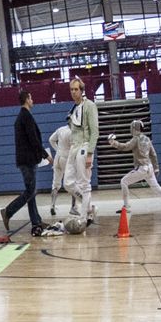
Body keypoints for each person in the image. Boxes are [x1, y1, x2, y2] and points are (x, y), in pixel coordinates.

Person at [0, 92, 51, 233]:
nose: (32, 100)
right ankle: (8, 212)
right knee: (30, 191)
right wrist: (46, 155)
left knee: (31, 191)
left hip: (25, 160)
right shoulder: (26, 116)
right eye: (31, 97)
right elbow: (33, 139)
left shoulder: (21, 117)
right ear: (27, 99)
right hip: (27, 161)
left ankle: (36, 222)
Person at [110, 119, 161, 209]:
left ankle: (126, 206)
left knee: (124, 181)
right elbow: (153, 154)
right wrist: (156, 168)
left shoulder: (136, 139)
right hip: (150, 168)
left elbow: (126, 147)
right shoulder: (147, 139)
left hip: (142, 169)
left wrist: (114, 143)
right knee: (157, 188)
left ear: (134, 128)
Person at [64, 79, 100, 222]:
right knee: (67, 183)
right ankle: (90, 207)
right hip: (74, 147)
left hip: (85, 146)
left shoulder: (90, 106)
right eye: (71, 89)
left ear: (82, 90)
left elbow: (95, 131)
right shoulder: (73, 109)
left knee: (84, 184)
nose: (73, 92)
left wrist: (90, 152)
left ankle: (84, 218)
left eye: (76, 89)